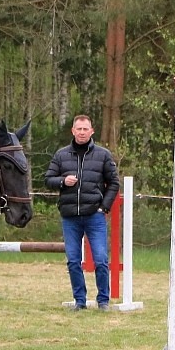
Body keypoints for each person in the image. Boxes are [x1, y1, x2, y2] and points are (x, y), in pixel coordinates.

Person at [44, 115, 120, 310]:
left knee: (101, 260)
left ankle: (103, 300)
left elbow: (114, 183)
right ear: (73, 131)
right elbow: (48, 179)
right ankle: (80, 301)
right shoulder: (61, 155)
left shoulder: (103, 155)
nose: (82, 132)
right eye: (79, 129)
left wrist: (104, 207)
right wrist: (62, 181)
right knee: (73, 261)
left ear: (91, 131)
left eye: (85, 129)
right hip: (70, 216)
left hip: (95, 215)